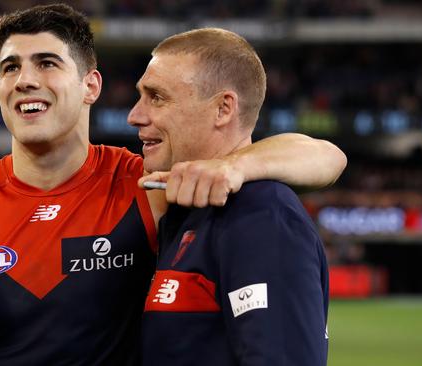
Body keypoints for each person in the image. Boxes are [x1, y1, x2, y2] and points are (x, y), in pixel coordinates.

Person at [0, 4, 345, 366]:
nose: (24, 79)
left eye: (46, 63)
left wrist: (235, 167)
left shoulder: (146, 186)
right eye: (10, 68)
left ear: (90, 84)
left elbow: (324, 155)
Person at [131, 28, 331, 365]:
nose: (135, 115)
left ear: (224, 109)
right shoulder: (185, 209)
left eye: (157, 97)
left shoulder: (262, 215)